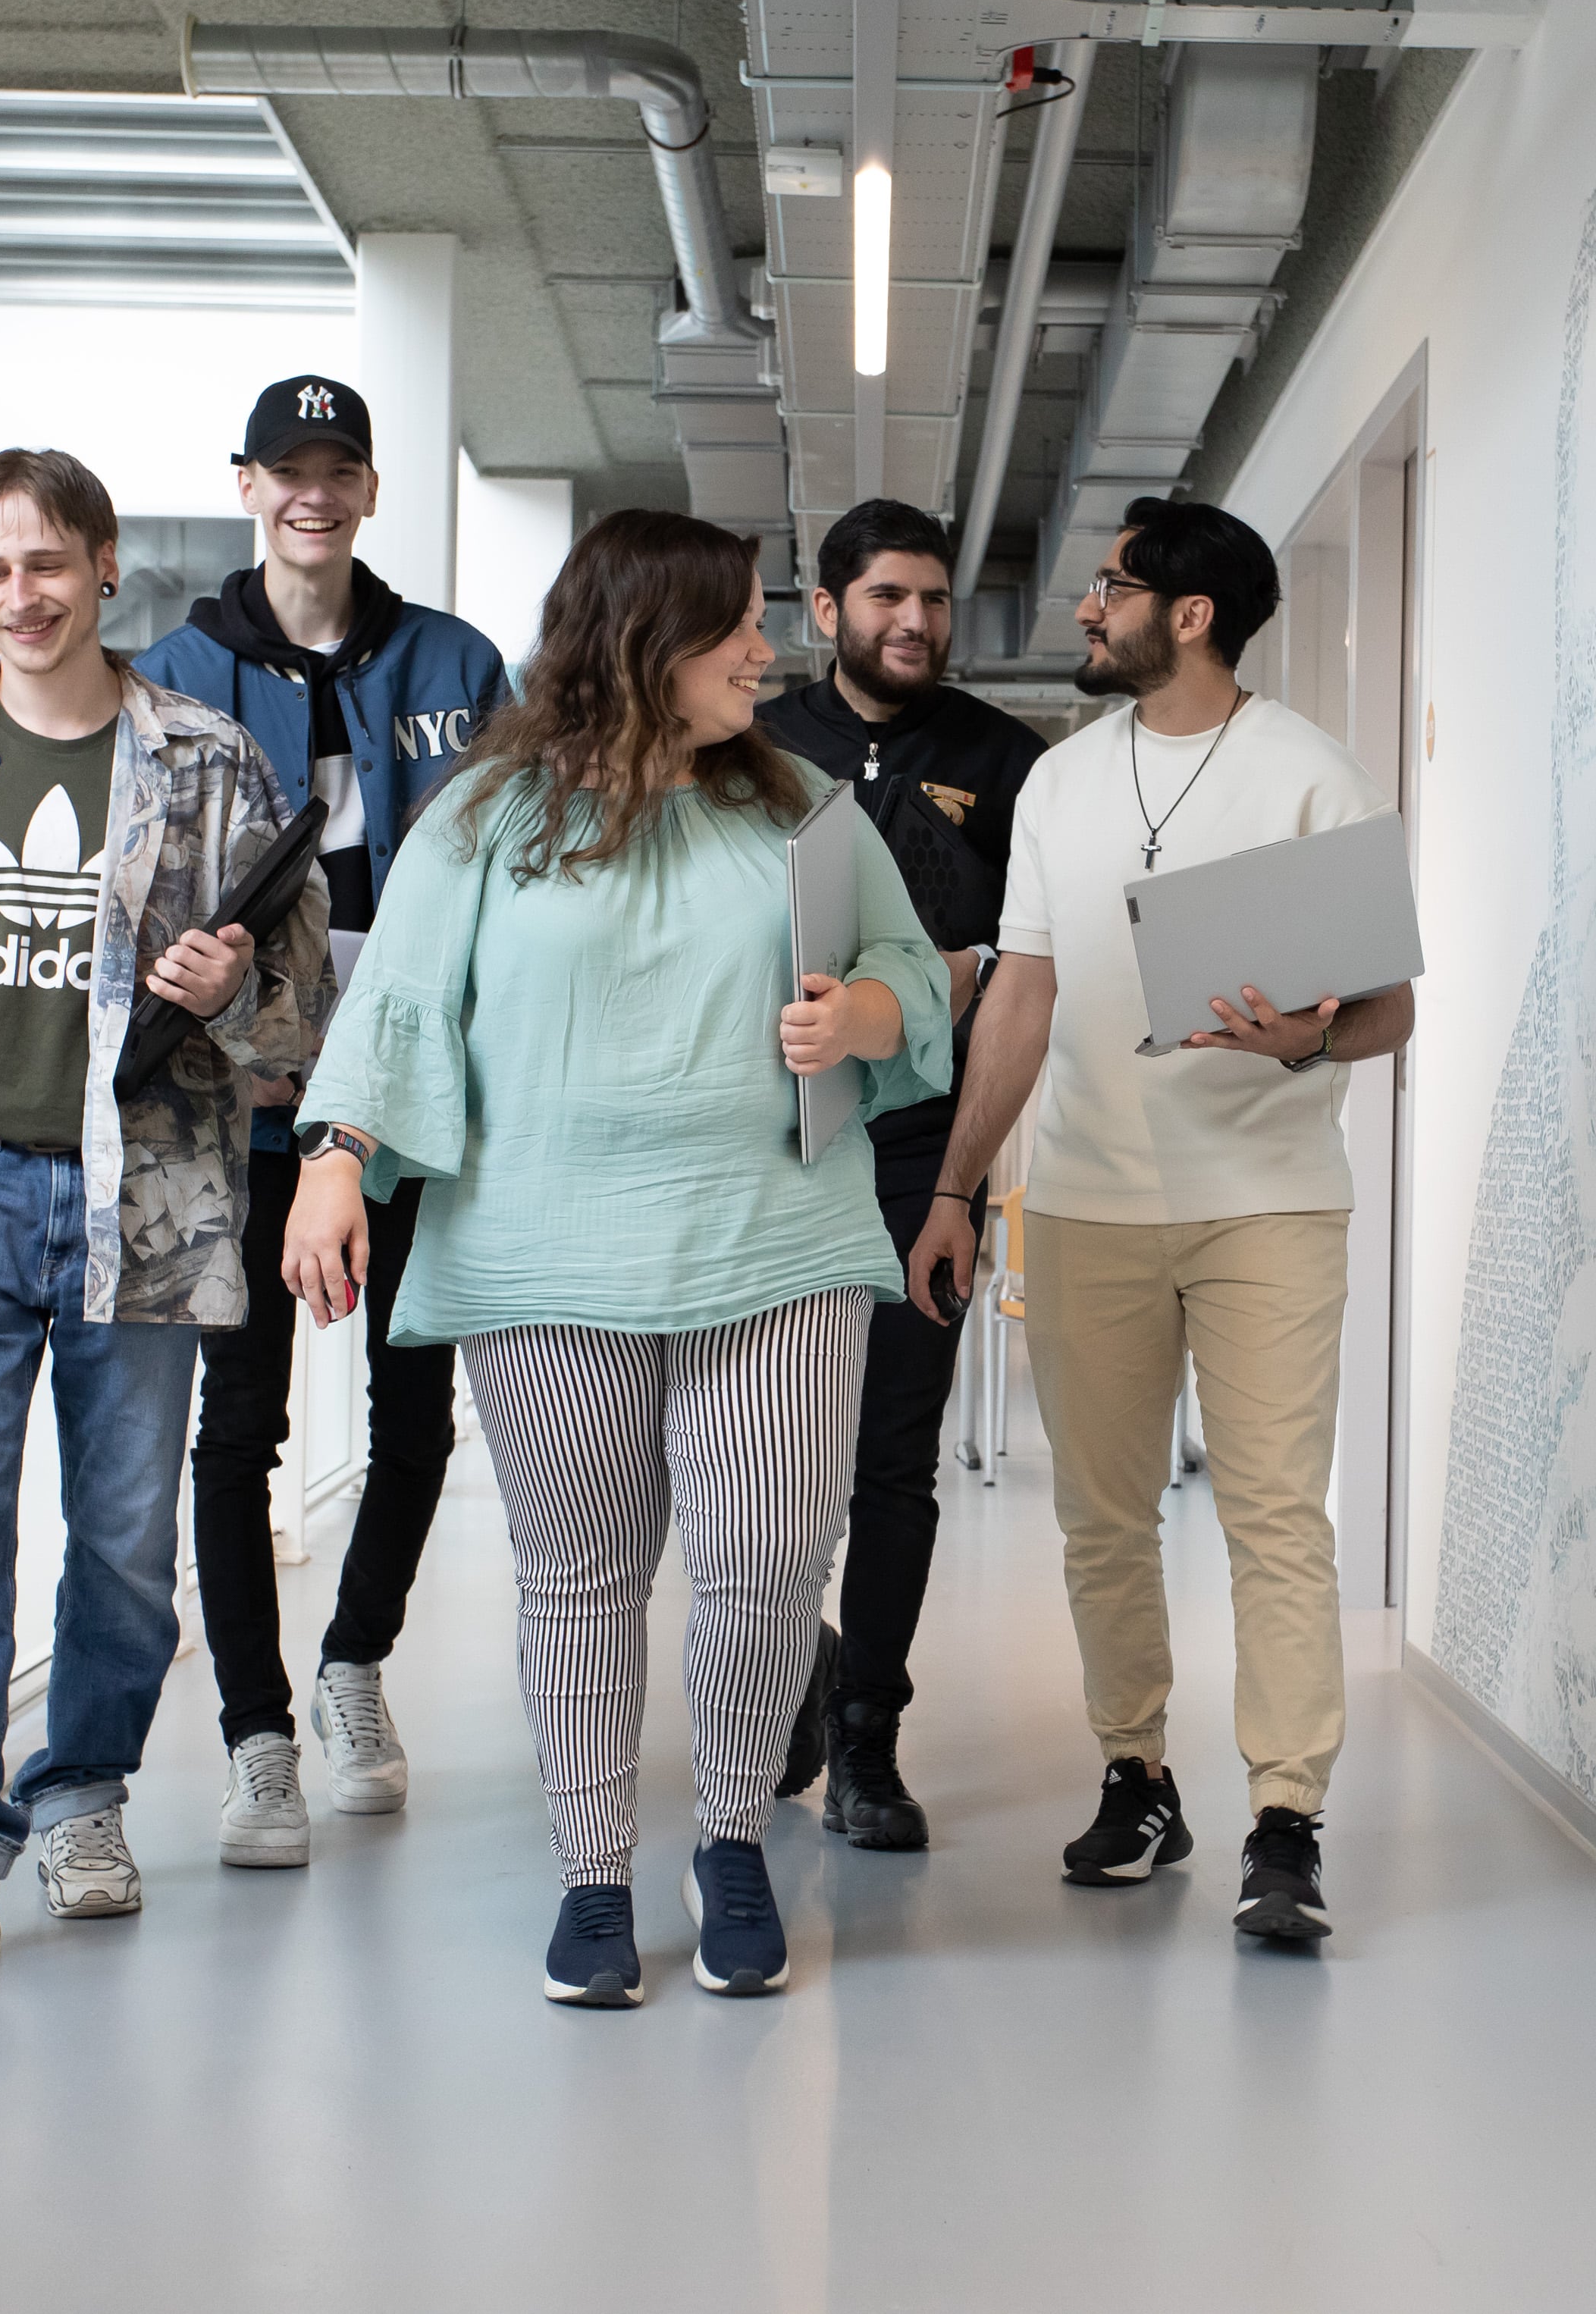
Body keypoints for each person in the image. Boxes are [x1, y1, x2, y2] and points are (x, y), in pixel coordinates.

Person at [282, 510, 951, 2008]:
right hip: (543, 1253)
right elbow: (398, 1004)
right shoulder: (484, 816)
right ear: (649, 641)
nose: (767, 652)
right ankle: (593, 1866)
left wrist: (862, 1021)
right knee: (576, 1575)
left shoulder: (799, 805)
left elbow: (912, 976)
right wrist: (336, 1162)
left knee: (769, 1566)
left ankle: (727, 1838)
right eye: (738, 629)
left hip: (772, 1240)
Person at [0, 447, 331, 1972]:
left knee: (120, 1538)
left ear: (107, 566)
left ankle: (84, 1792)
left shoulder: (207, 759)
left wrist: (235, 987)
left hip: (154, 1192)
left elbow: (293, 1017)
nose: (21, 596)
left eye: (47, 563)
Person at [905, 496, 1413, 1948]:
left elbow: (1388, 1006)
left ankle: (1287, 1817)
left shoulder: (1311, 773)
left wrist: (1304, 1041)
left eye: (1110, 588)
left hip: (1268, 1202)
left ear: (1186, 615)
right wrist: (959, 1185)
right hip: (1085, 1199)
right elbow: (1023, 991)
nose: (1086, 609)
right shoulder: (1062, 785)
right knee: (1101, 1521)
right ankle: (1138, 1775)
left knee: (1270, 1516)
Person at [136, 375, 512, 1864]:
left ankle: (354, 1661)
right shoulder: (176, 672)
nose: (313, 492)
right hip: (235, 1104)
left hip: (412, 1099)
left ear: (366, 489)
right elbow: (141, 888)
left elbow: (501, 878)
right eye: (286, 469)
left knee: (416, 1403)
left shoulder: (453, 660)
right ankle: (255, 1732)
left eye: (338, 468)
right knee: (239, 1426)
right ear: (246, 485)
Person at [752, 499, 1044, 1848]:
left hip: (919, 1152)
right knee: (756, 1460)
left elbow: (1027, 981)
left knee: (893, 1463)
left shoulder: (1005, 760)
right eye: (885, 597)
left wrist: (959, 1196)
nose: (914, 620)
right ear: (828, 612)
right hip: (766, 1140)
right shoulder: (751, 744)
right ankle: (775, 1675)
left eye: (932, 598)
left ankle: (869, 1735)